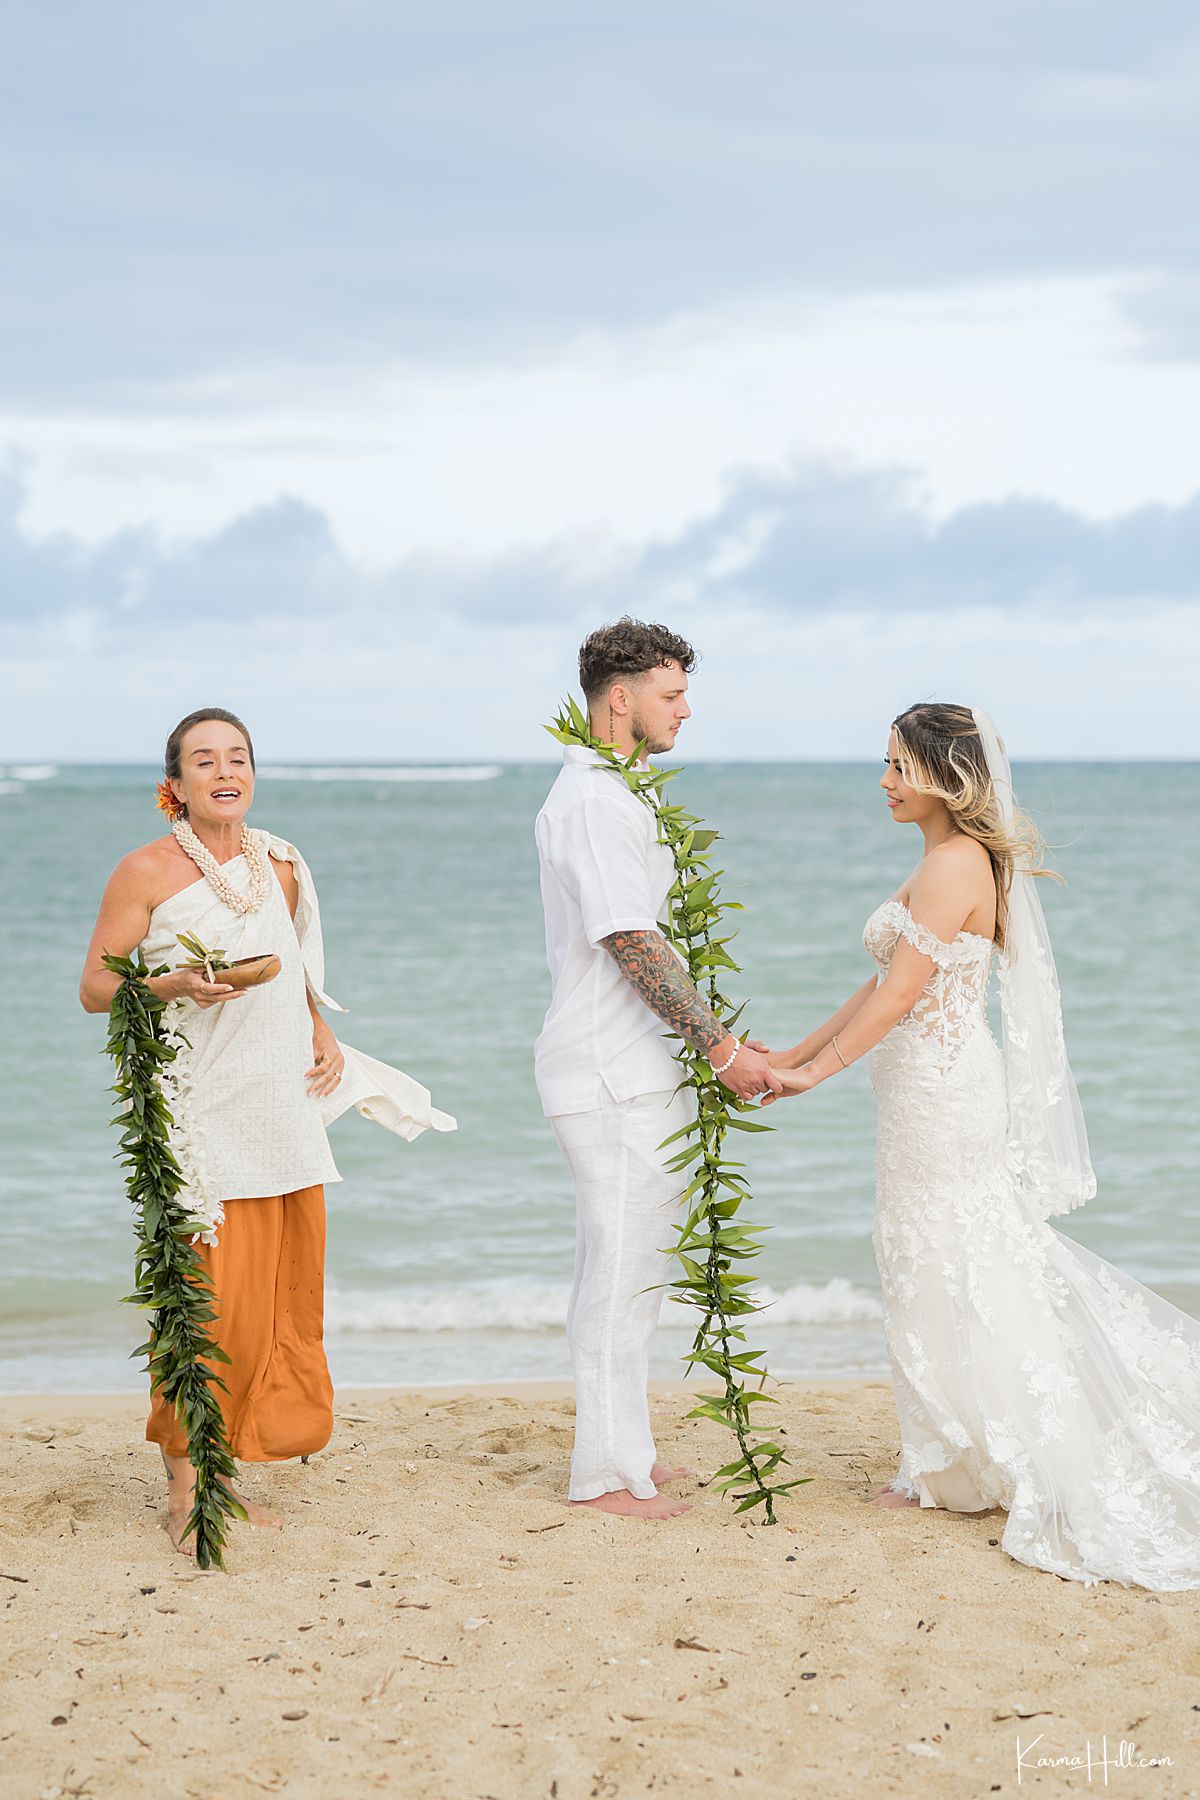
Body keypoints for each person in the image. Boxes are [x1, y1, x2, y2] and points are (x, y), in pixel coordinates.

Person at [765, 702, 1200, 1589]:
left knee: (943, 1255)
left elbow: (897, 1001)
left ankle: (952, 1465)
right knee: (939, 1255)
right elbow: (876, 985)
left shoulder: (953, 864)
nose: (883, 781)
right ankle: (947, 1455)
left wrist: (816, 1077)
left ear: (942, 772)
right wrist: (790, 1053)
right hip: (929, 1087)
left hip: (942, 1092)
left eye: (896, 765)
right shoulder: (945, 861)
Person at [80, 707, 454, 1557]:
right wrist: (171, 984)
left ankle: (231, 1473)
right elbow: (97, 991)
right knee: (207, 1303)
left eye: (238, 757)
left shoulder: (280, 864)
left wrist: (321, 1029)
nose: (225, 771)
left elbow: (297, 967)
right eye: (203, 760)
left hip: (278, 1106)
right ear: (172, 785)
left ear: (254, 773)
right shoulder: (143, 872)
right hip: (199, 1111)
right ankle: (186, 1493)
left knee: (277, 1301)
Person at [534, 619, 783, 1520]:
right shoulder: (595, 801)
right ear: (620, 698)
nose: (686, 710)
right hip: (608, 1070)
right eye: (671, 694)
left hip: (634, 1065)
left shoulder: (615, 792)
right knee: (620, 1268)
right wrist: (720, 1047)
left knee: (631, 1265)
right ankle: (600, 1475)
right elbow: (630, 939)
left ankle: (626, 1450)